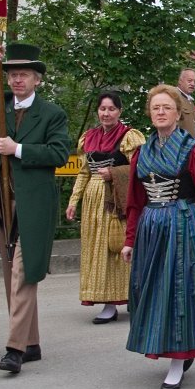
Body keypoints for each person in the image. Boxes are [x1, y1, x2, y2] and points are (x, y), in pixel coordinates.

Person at [0, 42, 70, 374]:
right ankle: (31, 341)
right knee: (11, 275)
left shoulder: (52, 113)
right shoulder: (0, 106)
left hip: (32, 204)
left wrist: (18, 148)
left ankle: (14, 349)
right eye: (11, 74)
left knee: (24, 272)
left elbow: (58, 154)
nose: (16, 80)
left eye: (23, 75)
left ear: (37, 79)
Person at [121, 85, 195, 389]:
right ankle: (164, 345)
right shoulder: (141, 152)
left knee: (180, 291)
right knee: (152, 291)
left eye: (167, 107)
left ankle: (178, 359)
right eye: (156, 108)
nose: (161, 112)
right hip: (151, 226)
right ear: (150, 114)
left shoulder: (194, 150)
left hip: (182, 223)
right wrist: (129, 239)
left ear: (178, 114)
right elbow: (135, 200)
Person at [65, 91, 144, 323]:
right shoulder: (89, 137)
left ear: (119, 111)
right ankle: (108, 302)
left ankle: (132, 296)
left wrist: (114, 173)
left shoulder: (129, 136)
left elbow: (141, 167)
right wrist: (73, 201)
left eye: (111, 109)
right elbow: (83, 172)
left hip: (118, 199)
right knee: (98, 251)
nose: (106, 113)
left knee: (118, 246)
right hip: (93, 201)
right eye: (102, 109)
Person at [176, 67, 195, 138]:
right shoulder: (174, 97)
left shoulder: (190, 100)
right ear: (180, 81)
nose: (193, 84)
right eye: (189, 81)